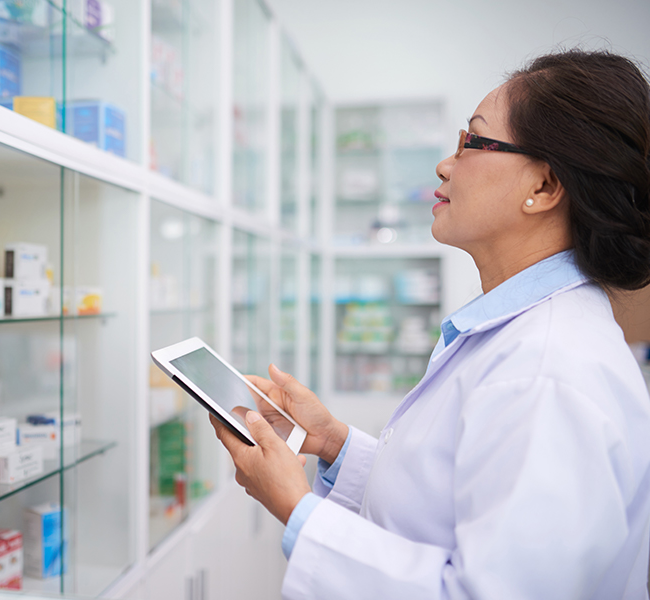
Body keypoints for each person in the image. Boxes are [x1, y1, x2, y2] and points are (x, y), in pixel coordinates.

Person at [212, 49, 650, 599]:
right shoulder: (521, 339)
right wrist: (332, 443)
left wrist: (296, 508)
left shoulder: (547, 371)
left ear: (544, 187)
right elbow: (446, 501)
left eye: (473, 142)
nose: (445, 164)